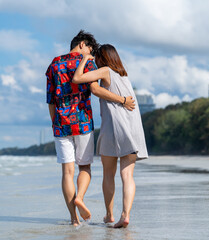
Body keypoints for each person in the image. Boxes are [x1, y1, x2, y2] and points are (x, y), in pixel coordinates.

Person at [45, 31, 135, 226]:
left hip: (60, 123)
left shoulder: (53, 65)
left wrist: (55, 122)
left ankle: (74, 219)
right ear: (82, 44)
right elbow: (95, 89)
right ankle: (81, 198)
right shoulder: (88, 63)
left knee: (67, 172)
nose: (92, 53)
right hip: (83, 121)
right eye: (91, 49)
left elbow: (50, 99)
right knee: (84, 167)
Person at [72, 44, 148, 228]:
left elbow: (77, 78)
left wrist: (84, 59)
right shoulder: (124, 76)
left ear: (102, 58)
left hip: (114, 127)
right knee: (128, 176)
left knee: (108, 174)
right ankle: (126, 214)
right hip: (134, 127)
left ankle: (110, 214)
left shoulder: (105, 71)